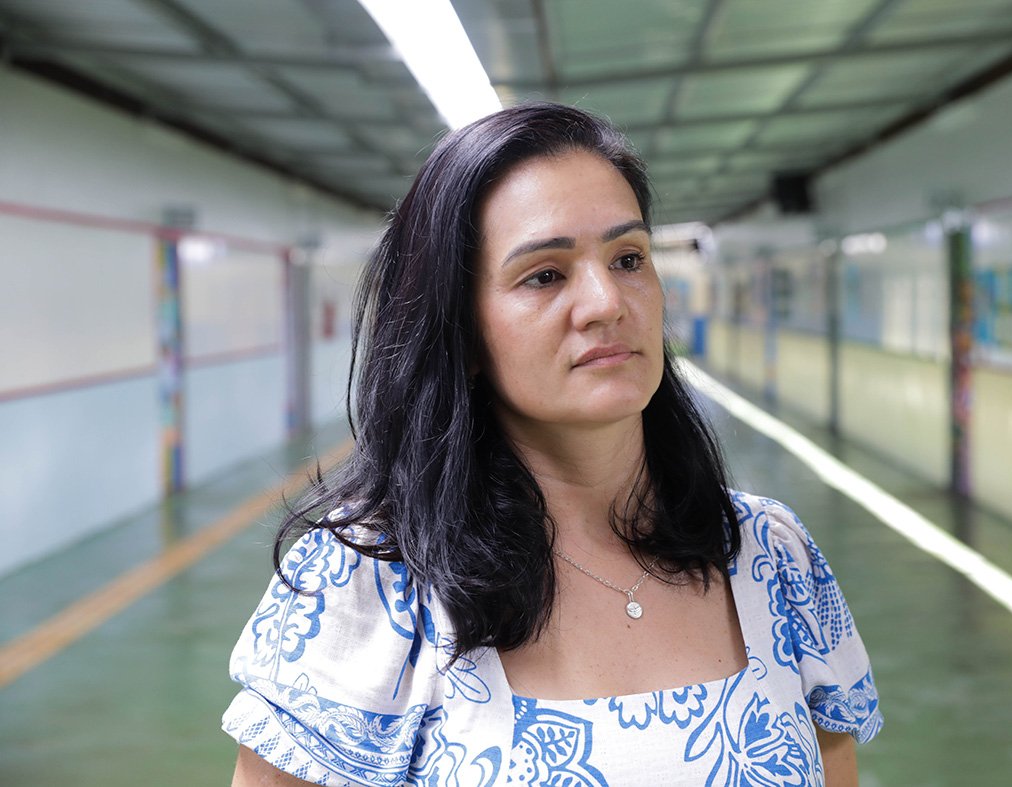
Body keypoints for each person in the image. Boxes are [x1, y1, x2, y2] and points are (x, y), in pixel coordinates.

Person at [223, 102, 882, 786]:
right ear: (462, 332)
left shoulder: (771, 557)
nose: (606, 302)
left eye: (628, 258)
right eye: (544, 274)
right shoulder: (369, 583)